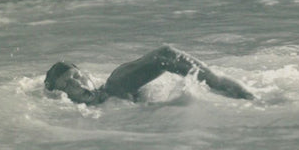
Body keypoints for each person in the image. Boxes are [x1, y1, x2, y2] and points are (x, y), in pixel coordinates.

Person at [45, 45, 254, 105]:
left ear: (88, 75)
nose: (76, 85)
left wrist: (214, 80)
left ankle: (250, 97)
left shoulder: (115, 85)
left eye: (76, 77)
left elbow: (163, 55)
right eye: (66, 85)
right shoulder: (82, 113)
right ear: (61, 95)